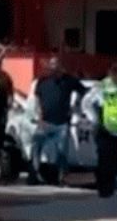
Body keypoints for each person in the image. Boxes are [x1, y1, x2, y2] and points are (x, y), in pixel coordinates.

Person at [30, 55, 86, 186]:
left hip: (61, 123)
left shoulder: (69, 80)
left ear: (61, 67)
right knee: (35, 147)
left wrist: (75, 107)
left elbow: (83, 91)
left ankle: (61, 177)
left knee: (62, 153)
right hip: (44, 122)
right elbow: (37, 98)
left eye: (56, 66)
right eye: (52, 66)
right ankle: (34, 174)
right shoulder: (42, 81)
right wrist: (39, 114)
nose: (54, 69)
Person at [82, 62, 117, 198]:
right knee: (105, 160)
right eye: (116, 72)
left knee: (115, 161)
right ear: (111, 73)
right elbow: (86, 103)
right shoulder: (102, 86)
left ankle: (108, 186)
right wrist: (94, 120)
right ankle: (104, 188)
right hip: (104, 129)